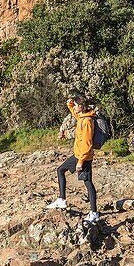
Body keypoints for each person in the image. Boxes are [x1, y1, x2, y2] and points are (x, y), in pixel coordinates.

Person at [45, 96, 99, 224]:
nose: (74, 107)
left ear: (81, 106)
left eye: (75, 105)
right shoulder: (81, 117)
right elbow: (74, 113)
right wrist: (70, 105)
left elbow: (87, 143)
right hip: (78, 154)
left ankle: (94, 213)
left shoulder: (86, 121)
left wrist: (80, 161)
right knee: (61, 170)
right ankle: (62, 200)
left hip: (83, 156)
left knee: (88, 182)